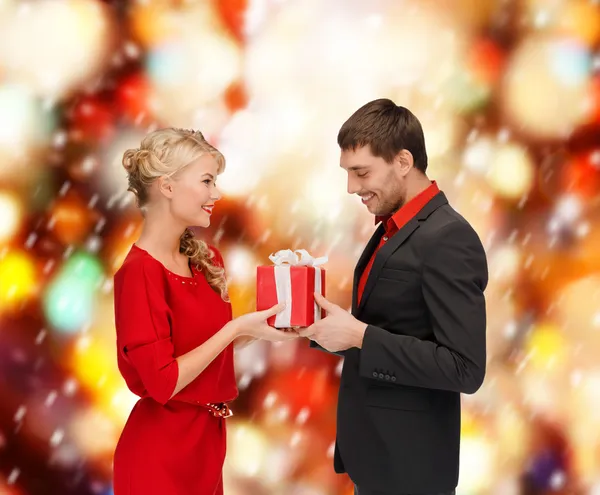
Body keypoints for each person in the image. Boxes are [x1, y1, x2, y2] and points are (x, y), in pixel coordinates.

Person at [300, 99, 488, 495]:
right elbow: (391, 328)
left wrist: (360, 337)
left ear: (403, 161)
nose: (352, 187)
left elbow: (465, 369)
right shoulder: (392, 227)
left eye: (361, 172)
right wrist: (321, 330)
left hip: (411, 471)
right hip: (377, 462)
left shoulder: (448, 237)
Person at [112, 128, 297, 495]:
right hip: (159, 455)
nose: (216, 194)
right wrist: (234, 330)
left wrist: (262, 329)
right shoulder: (139, 273)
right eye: (207, 181)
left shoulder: (206, 260)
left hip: (206, 446)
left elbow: (200, 345)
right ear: (167, 186)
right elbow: (163, 382)